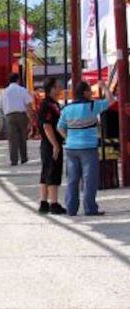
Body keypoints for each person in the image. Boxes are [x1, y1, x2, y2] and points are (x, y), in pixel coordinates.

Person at [56, 79, 115, 216]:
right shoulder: (92, 106)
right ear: (85, 92)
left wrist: (68, 138)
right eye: (89, 90)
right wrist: (104, 87)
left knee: (72, 179)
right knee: (89, 179)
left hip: (71, 148)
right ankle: (90, 209)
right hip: (88, 147)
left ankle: (71, 209)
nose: (91, 92)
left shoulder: (67, 109)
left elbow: (59, 127)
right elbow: (111, 100)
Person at [37, 78, 66, 214]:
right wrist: (55, 144)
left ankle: (44, 202)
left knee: (46, 171)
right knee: (53, 171)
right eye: (58, 86)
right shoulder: (47, 105)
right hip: (50, 143)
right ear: (52, 89)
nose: (60, 89)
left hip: (50, 143)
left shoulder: (53, 104)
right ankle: (53, 203)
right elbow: (47, 125)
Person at [0, 72, 35, 166]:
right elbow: (28, 104)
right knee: (23, 137)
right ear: (18, 80)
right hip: (21, 115)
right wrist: (31, 117)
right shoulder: (22, 90)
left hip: (9, 116)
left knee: (12, 139)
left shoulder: (4, 91)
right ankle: (23, 158)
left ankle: (13, 160)